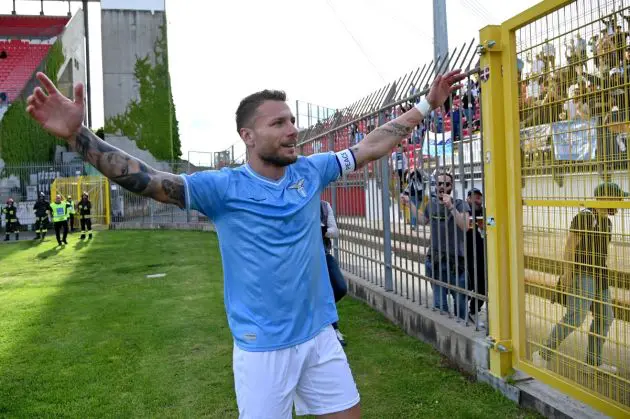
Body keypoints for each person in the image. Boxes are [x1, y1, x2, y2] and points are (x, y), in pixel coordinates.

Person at [26, 69, 464, 418]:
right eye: (279, 123)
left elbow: (371, 145)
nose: (292, 129)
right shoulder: (223, 187)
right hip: (262, 350)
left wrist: (427, 103)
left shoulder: (310, 171)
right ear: (248, 136)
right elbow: (146, 180)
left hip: (319, 336)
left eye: (293, 120)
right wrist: (77, 137)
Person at [534, 182, 626, 374]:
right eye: (618, 199)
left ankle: (592, 363)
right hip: (583, 275)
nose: (621, 202)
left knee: (605, 317)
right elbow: (570, 247)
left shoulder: (606, 222)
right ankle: (542, 354)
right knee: (575, 318)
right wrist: (567, 274)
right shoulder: (585, 217)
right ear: (606, 199)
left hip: (600, 275)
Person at [402, 172, 470, 320]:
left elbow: (465, 226)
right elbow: (422, 220)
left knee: (461, 306)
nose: (442, 187)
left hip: (456, 262)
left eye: (446, 184)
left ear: (451, 187)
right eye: (439, 183)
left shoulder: (460, 204)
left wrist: (451, 206)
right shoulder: (431, 204)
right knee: (440, 307)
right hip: (435, 259)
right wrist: (409, 204)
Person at [321, 199, 347, 346]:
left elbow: (335, 231)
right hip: (305, 259)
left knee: (340, 288)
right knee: (321, 293)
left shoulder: (325, 206)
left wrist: (324, 231)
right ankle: (333, 328)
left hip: (324, 255)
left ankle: (322, 312)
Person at [465, 188, 486, 328]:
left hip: (481, 255)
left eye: (479, 198)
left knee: (482, 286)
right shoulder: (464, 211)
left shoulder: (484, 212)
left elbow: (493, 223)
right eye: (474, 197)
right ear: (468, 198)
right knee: (467, 284)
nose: (477, 200)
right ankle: (461, 309)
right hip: (465, 254)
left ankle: (473, 310)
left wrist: (484, 225)